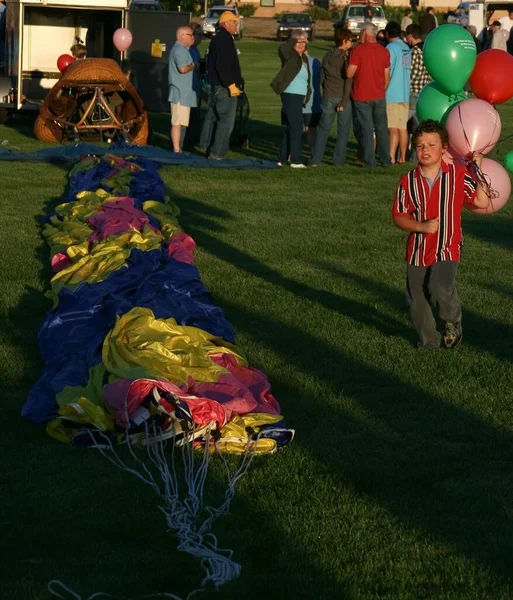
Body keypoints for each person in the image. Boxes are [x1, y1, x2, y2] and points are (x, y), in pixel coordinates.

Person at [392, 120, 490, 349]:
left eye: (431, 145)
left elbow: (481, 200)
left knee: (439, 286)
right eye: (420, 145)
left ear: (444, 148)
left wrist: (478, 169)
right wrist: (421, 227)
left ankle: (452, 321)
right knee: (416, 298)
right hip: (417, 251)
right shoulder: (408, 182)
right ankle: (430, 343)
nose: (425, 150)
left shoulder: (457, 175)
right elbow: (399, 216)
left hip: (448, 246)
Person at [200, 11, 243, 160]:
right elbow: (222, 65)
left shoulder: (220, 38)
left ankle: (208, 146)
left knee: (214, 117)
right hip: (224, 88)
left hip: (217, 86)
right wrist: (231, 85)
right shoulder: (224, 39)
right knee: (225, 121)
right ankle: (217, 152)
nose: (236, 25)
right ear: (226, 24)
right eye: (234, 22)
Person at [346, 22, 391, 169]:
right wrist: (380, 89)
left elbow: (349, 73)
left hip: (361, 95)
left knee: (366, 128)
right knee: (381, 128)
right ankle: (385, 159)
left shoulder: (358, 50)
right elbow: (386, 78)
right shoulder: (384, 51)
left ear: (364, 32)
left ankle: (369, 160)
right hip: (379, 95)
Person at [309, 27, 353, 167]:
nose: (352, 43)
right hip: (342, 97)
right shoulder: (346, 57)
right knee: (343, 131)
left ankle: (316, 159)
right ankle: (338, 161)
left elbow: (322, 76)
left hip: (328, 95)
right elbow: (348, 80)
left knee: (323, 129)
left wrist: (325, 89)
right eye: (351, 40)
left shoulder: (327, 55)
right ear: (345, 41)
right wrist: (344, 101)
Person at [270, 30, 311, 168]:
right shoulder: (289, 55)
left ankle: (282, 159)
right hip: (290, 94)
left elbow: (307, 78)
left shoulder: (303, 58)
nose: (301, 45)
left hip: (299, 95)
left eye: (303, 42)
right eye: (298, 42)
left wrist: (307, 93)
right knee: (296, 127)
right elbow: (282, 48)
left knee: (291, 127)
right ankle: (296, 160)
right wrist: (294, 39)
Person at [385, 21, 411, 164]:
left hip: (393, 93)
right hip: (405, 92)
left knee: (392, 127)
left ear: (388, 33)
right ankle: (402, 157)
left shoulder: (390, 48)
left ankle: (391, 157)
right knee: (402, 127)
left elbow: (387, 70)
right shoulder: (406, 47)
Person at [168, 25, 196, 153]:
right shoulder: (179, 50)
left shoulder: (182, 49)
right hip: (179, 92)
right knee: (177, 122)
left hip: (183, 92)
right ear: (183, 36)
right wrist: (192, 66)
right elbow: (183, 69)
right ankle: (176, 149)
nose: (193, 38)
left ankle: (178, 147)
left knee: (180, 122)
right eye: (191, 35)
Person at [405, 24, 431, 132]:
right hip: (424, 92)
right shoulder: (427, 49)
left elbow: (413, 73)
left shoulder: (415, 50)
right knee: (418, 128)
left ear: (410, 36)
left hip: (413, 91)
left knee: (401, 124)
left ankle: (399, 149)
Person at [183, 23, 203, 151]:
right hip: (188, 89)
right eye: (200, 34)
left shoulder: (195, 49)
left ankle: (192, 140)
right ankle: (186, 143)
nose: (202, 37)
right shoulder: (187, 49)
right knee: (188, 118)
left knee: (194, 117)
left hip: (195, 88)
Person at [303, 51, 321, 154]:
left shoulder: (295, 62)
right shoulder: (316, 62)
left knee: (293, 129)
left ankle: (289, 153)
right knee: (312, 129)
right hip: (314, 101)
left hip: (299, 99)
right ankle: (312, 152)